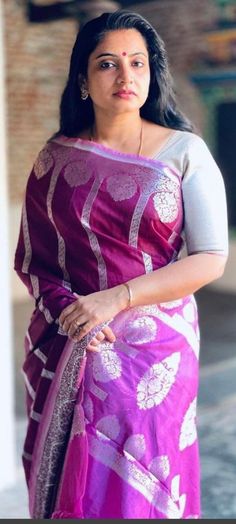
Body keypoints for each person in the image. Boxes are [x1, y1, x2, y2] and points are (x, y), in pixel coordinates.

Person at [14, 9, 228, 519]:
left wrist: (115, 299)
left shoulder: (184, 151)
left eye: (138, 62)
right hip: (70, 334)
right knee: (77, 484)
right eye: (107, 63)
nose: (125, 75)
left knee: (143, 481)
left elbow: (212, 257)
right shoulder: (55, 158)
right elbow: (36, 257)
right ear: (83, 80)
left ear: (153, 74)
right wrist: (72, 308)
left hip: (157, 353)